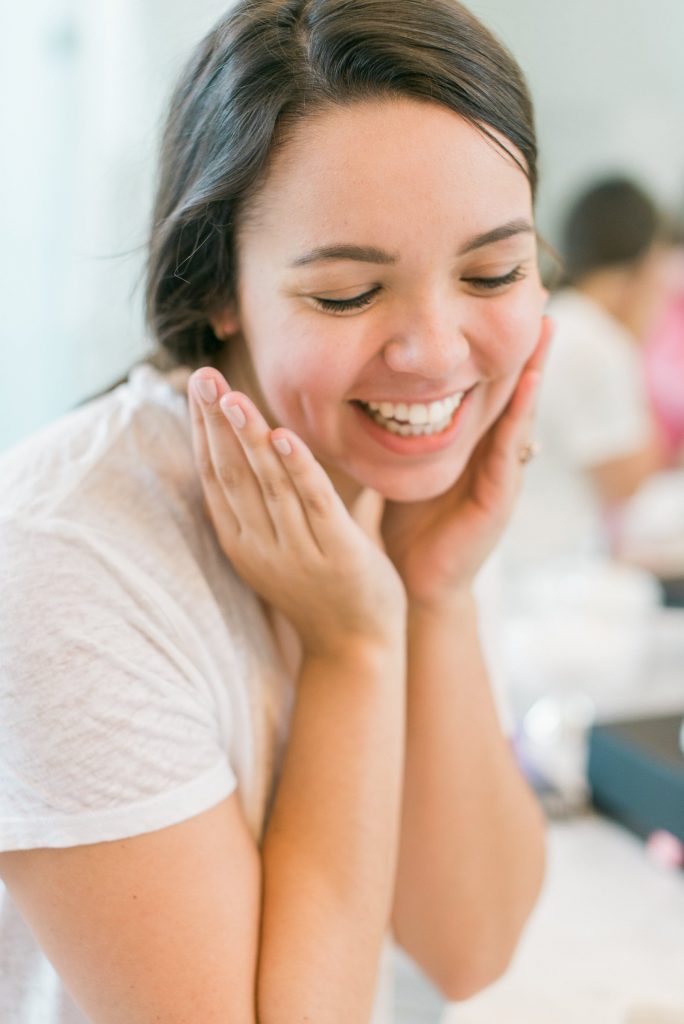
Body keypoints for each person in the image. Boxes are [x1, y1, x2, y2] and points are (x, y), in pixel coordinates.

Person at [0, 1, 550, 1021]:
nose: (436, 353)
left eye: (494, 272)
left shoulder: (401, 479)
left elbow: (469, 947)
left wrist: (435, 595)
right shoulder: (62, 561)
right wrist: (354, 649)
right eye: (347, 294)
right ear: (219, 287)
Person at [503, 177, 671, 570]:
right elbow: (627, 482)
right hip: (554, 564)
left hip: (520, 553)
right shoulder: (599, 342)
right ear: (642, 265)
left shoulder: (561, 316)